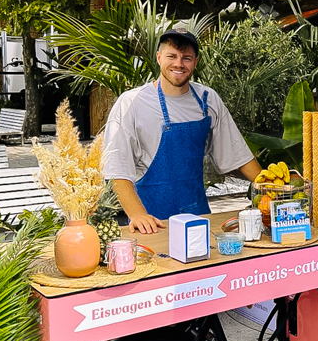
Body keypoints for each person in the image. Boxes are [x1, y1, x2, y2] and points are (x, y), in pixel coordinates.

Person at [103, 27, 260, 234]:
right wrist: (138, 215)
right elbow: (117, 169)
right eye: (172, 56)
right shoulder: (131, 103)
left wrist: (271, 187)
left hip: (198, 217)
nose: (179, 63)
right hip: (151, 221)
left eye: (186, 58)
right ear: (159, 58)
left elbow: (237, 153)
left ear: (195, 62)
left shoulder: (208, 100)